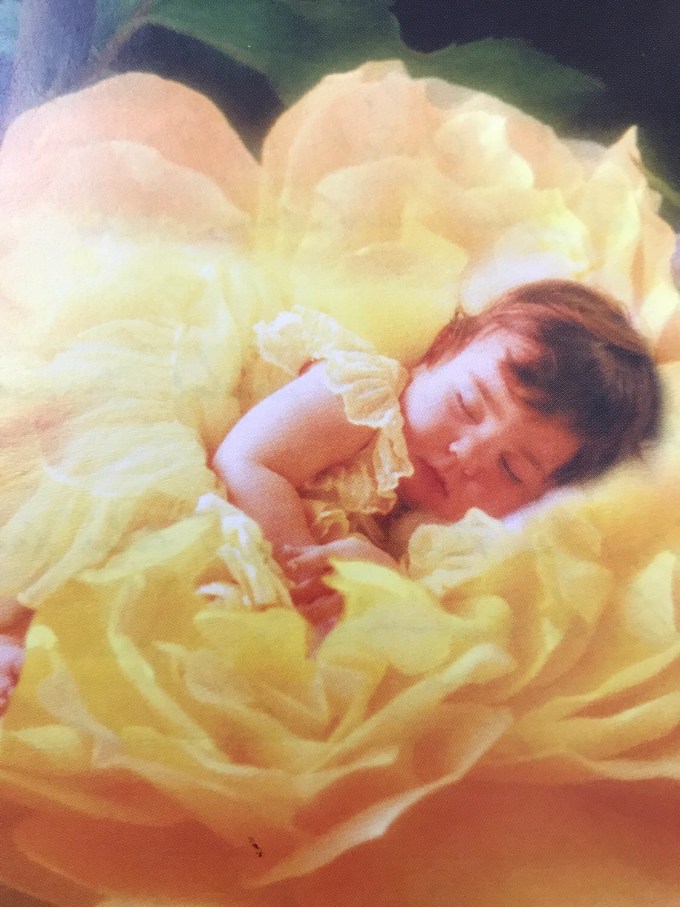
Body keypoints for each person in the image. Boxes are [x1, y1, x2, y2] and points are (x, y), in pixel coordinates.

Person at [213, 279, 661, 624]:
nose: (467, 454)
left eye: (511, 469)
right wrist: (300, 571)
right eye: (467, 405)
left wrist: (385, 581)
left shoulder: (452, 537)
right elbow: (249, 461)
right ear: (441, 350)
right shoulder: (362, 399)